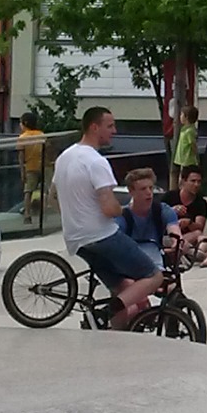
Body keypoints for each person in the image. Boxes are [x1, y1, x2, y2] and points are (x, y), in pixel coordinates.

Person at [57, 106, 162, 330]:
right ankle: (109, 311)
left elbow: (51, 198)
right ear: (94, 127)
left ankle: (115, 335)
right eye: (110, 126)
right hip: (101, 235)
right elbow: (108, 208)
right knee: (154, 277)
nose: (114, 130)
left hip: (77, 239)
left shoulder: (64, 158)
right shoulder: (96, 162)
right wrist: (124, 208)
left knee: (124, 287)